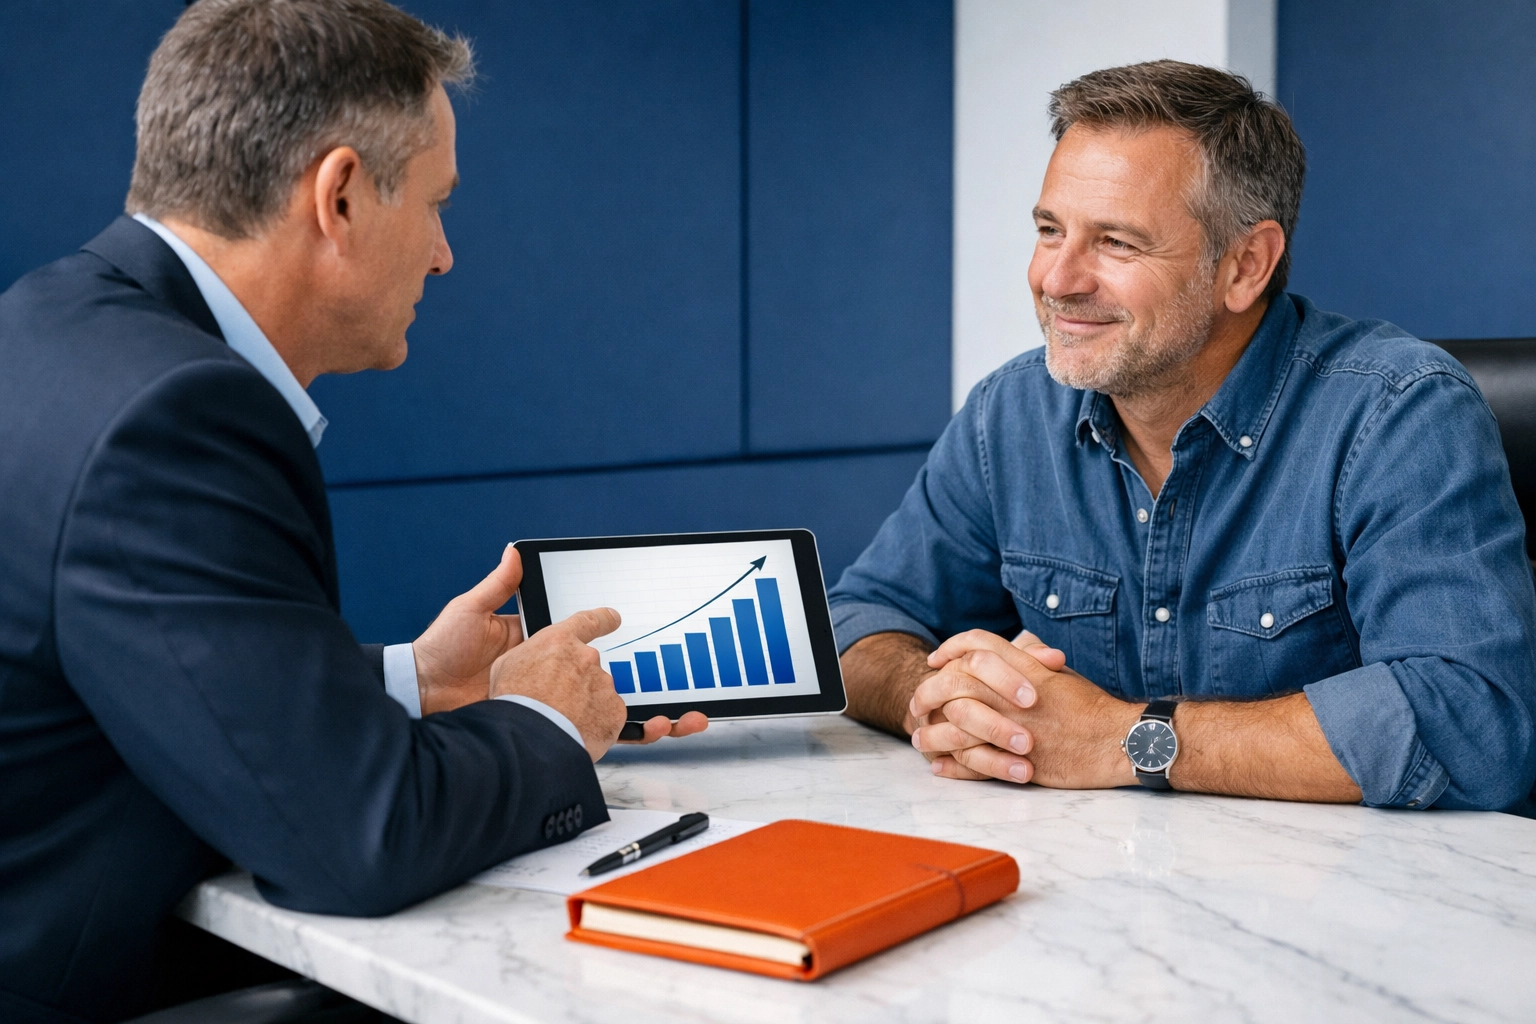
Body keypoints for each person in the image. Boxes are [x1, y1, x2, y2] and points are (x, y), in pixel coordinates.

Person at [0, 2, 702, 1020]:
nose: (444, 254)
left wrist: (410, 680)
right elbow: (360, 840)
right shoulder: (181, 412)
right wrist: (548, 719)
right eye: (435, 203)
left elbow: (141, 675)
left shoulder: (49, 322)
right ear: (338, 196)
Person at [831, 61, 1536, 813]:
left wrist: (1117, 738)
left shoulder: (1399, 415)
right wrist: (940, 697)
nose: (1057, 280)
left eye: (1117, 243)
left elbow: (1471, 726)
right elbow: (856, 624)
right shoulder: (1010, 412)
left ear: (1245, 266)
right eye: (1048, 231)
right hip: (1097, 894)